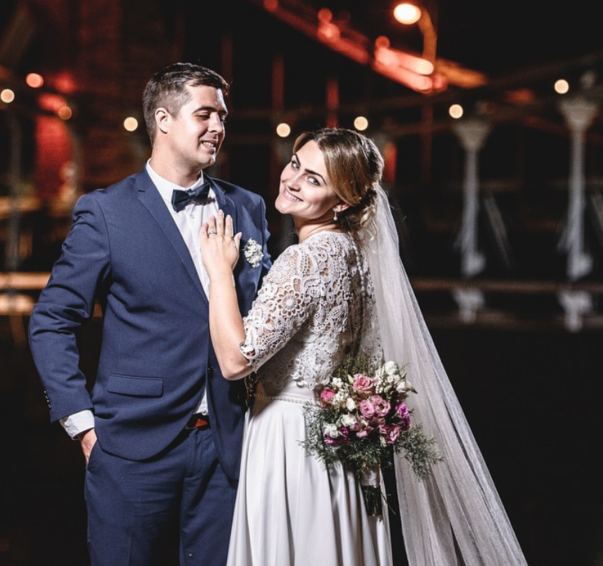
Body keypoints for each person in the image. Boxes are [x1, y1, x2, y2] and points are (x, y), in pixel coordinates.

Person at [200, 127, 528, 566]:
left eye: (314, 180)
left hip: (291, 444)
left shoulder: (307, 258)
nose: (292, 180)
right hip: (332, 446)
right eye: (297, 164)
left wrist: (219, 270)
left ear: (343, 202)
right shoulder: (352, 254)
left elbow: (235, 359)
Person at [28, 62, 272, 566]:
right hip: (130, 447)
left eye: (222, 116)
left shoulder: (248, 208)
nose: (218, 127)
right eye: (204, 114)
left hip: (230, 450)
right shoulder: (106, 212)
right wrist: (82, 424)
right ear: (162, 120)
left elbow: (266, 311)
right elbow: (52, 320)